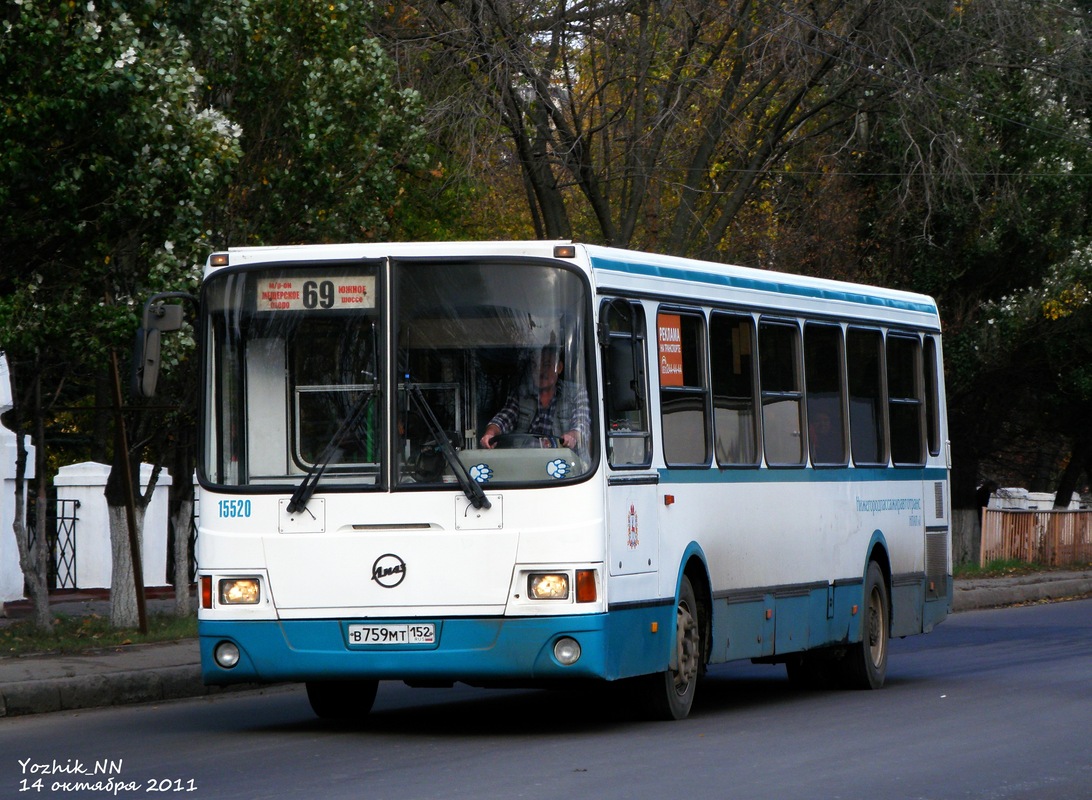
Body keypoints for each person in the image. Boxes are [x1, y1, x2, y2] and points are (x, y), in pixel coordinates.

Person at [479, 345, 590, 450]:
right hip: (525, 463)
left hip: (562, 464)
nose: (541, 371)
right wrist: (490, 433)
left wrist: (572, 436)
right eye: (535, 365)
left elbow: (582, 424)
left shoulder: (576, 393)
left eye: (546, 365)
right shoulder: (522, 393)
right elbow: (504, 418)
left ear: (559, 368)